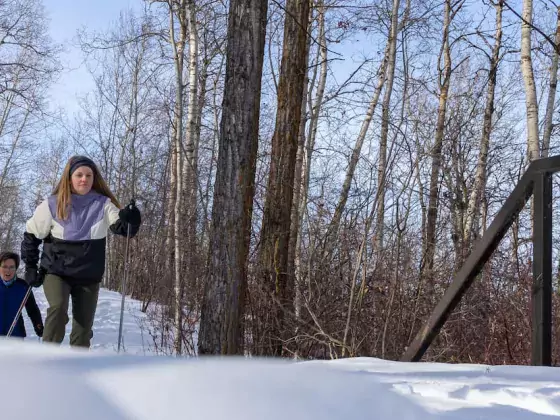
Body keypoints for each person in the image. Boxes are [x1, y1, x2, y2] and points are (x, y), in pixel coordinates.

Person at [21, 155, 141, 348]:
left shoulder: (102, 204)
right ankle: (47, 358)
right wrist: (30, 267)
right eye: (79, 175)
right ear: (69, 178)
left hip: (88, 275)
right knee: (58, 309)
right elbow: (32, 235)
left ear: (94, 179)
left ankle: (76, 368)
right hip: (57, 271)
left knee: (83, 327)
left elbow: (122, 228)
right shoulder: (52, 204)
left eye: (88, 175)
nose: (84, 179)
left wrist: (131, 219)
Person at [0, 251, 43, 338]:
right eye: (4, 267)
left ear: (16, 268)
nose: (8, 270)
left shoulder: (23, 286)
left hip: (16, 336)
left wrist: (39, 326)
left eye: (12, 267)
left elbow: (32, 309)